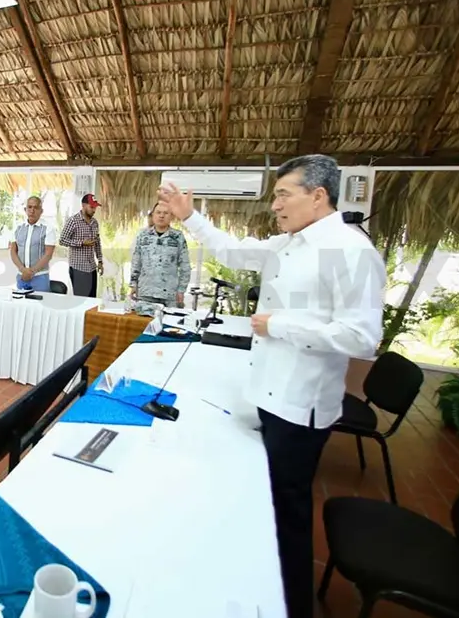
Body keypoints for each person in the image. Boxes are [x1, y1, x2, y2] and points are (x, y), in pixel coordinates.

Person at [158, 154, 385, 618]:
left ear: (318, 196)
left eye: (283, 194)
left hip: (301, 407)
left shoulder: (351, 250)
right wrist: (190, 217)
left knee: (287, 516)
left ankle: (291, 604)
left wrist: (281, 325)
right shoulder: (289, 245)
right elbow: (235, 252)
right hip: (268, 394)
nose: (275, 205)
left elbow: (363, 338)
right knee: (265, 505)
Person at [130, 202, 191, 308]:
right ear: (153, 215)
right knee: (144, 323)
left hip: (169, 295)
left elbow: (185, 266)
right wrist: (133, 284)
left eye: (166, 213)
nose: (161, 216)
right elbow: (136, 262)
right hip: (145, 292)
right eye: (158, 212)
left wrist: (181, 290)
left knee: (169, 323)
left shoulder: (178, 237)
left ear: (171, 216)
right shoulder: (143, 236)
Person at [59, 194, 104, 297]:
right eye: (91, 207)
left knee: (92, 300)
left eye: (95, 207)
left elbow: (97, 242)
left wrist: (100, 261)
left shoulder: (95, 223)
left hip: (92, 268)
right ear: (83, 205)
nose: (94, 210)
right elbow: (62, 240)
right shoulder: (73, 221)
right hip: (78, 269)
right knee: (81, 301)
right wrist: (81, 243)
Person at [9, 196, 56, 292]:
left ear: (41, 211)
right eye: (29, 207)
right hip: (21, 276)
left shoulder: (48, 228)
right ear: (25, 209)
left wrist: (32, 272)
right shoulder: (18, 227)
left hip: (40, 277)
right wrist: (23, 270)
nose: (32, 210)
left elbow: (48, 254)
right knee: (21, 306)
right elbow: (13, 251)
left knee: (40, 306)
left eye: (36, 207)